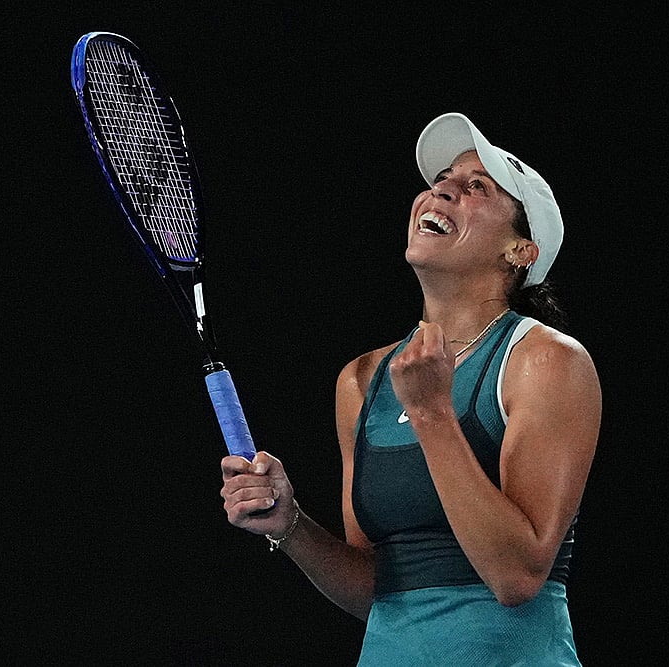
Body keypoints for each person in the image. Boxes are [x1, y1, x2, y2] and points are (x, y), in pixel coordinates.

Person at [220, 112, 601, 665]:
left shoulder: (546, 361)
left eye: (476, 187)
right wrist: (292, 525)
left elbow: (518, 576)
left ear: (520, 251)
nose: (442, 190)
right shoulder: (361, 380)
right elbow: (378, 588)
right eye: (442, 179)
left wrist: (431, 414)